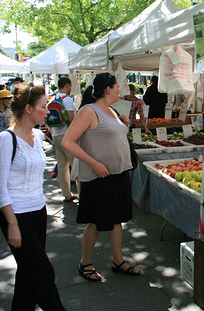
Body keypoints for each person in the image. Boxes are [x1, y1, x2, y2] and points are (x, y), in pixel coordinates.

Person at [0, 85, 65, 310]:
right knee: (42, 273)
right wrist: (12, 224)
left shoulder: (39, 134)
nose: (48, 111)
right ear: (28, 109)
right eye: (43, 107)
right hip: (17, 217)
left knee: (27, 275)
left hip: (38, 213)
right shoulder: (7, 139)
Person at [62, 72, 141, 281]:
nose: (120, 90)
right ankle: (85, 262)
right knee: (97, 222)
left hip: (118, 173)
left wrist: (124, 124)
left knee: (116, 220)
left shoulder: (112, 110)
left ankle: (118, 260)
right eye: (117, 87)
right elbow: (68, 141)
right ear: (108, 89)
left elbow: (111, 136)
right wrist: (94, 163)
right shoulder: (89, 110)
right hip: (99, 177)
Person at [50, 77, 78, 202]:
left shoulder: (53, 99)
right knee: (76, 165)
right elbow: (71, 120)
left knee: (62, 167)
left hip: (56, 135)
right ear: (67, 85)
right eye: (70, 86)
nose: (71, 88)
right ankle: (82, 194)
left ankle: (67, 194)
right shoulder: (67, 100)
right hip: (67, 136)